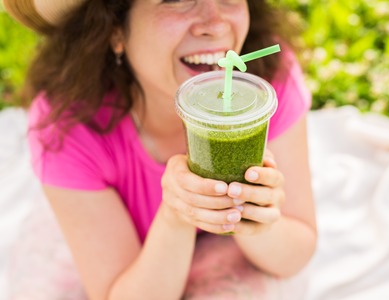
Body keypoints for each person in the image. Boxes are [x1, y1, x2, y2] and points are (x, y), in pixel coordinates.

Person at [5, 0, 317, 299]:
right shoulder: (69, 128)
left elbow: (294, 254)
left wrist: (252, 218)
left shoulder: (265, 84)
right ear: (114, 28)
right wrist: (176, 215)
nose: (216, 23)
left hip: (232, 248)